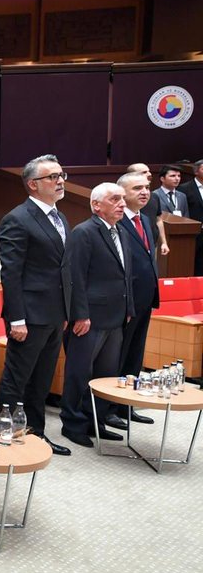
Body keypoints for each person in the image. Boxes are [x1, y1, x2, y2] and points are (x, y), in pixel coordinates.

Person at [0, 154, 73, 455]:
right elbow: (11, 274)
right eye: (52, 177)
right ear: (33, 184)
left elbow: (62, 269)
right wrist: (16, 319)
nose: (60, 181)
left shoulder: (60, 217)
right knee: (17, 379)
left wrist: (66, 310)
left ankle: (36, 434)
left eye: (61, 175)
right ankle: (6, 436)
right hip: (28, 316)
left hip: (54, 314)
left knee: (42, 380)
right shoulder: (17, 218)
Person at [59, 183, 133, 449]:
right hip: (89, 317)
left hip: (115, 316)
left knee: (106, 374)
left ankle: (96, 422)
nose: (122, 204)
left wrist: (129, 307)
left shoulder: (121, 231)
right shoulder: (84, 232)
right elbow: (74, 276)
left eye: (123, 199)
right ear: (96, 205)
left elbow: (126, 274)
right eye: (115, 199)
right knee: (79, 372)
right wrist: (80, 314)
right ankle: (73, 424)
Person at [108, 172, 160, 430]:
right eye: (137, 188)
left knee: (135, 357)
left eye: (147, 187)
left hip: (145, 299)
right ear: (122, 193)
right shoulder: (116, 222)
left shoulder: (145, 219)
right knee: (117, 356)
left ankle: (126, 405)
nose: (144, 192)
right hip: (124, 302)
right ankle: (109, 409)